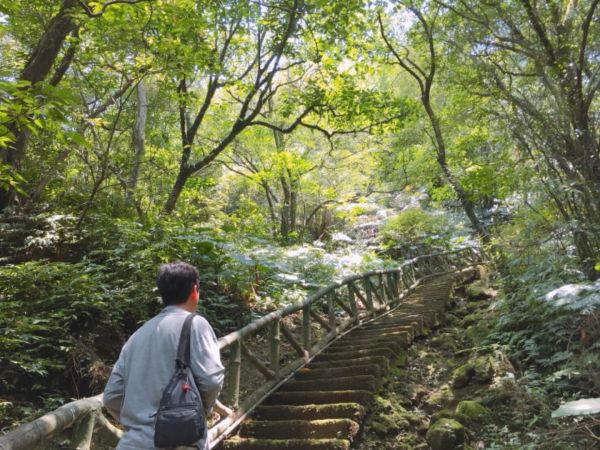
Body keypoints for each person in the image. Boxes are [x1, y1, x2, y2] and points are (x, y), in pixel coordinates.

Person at [104, 261, 224, 450]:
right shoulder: (196, 325)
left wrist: (139, 422)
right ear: (195, 290)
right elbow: (211, 380)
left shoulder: (137, 335)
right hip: (181, 442)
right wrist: (198, 412)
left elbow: (112, 395)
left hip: (132, 443)